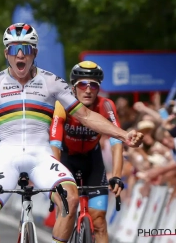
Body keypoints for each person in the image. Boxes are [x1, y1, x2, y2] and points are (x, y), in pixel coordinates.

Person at [0, 23, 143, 243]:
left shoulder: (52, 82)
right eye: (14, 49)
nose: (20, 55)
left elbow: (87, 116)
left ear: (35, 53)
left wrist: (122, 134)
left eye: (26, 49)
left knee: (70, 199)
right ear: (6, 53)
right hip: (5, 158)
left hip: (41, 157)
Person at [49, 61, 125, 243]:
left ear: (99, 89)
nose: (88, 90)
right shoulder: (62, 105)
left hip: (93, 161)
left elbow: (117, 142)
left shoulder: (106, 106)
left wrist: (116, 175)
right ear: (74, 88)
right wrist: (55, 177)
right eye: (83, 84)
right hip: (66, 159)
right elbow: (55, 143)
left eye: (94, 85)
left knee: (99, 221)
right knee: (66, 212)